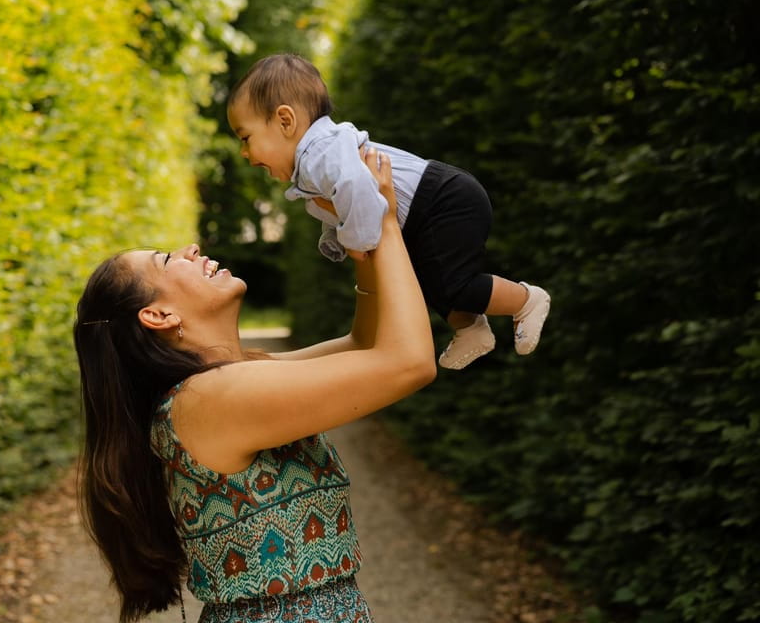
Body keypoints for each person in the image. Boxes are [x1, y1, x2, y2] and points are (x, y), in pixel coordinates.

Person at [73, 150, 434, 622]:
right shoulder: (214, 399)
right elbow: (409, 363)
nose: (190, 250)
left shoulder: (230, 381)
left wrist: (361, 242)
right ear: (159, 315)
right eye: (167, 259)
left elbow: (364, 344)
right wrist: (383, 222)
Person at [226, 53, 552, 370]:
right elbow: (342, 202)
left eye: (246, 137)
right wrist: (338, 237)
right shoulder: (317, 157)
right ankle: (470, 328)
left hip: (442, 199)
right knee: (425, 276)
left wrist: (355, 240)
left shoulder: (319, 153)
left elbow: (355, 186)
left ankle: (526, 300)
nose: (243, 152)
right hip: (431, 205)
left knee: (457, 284)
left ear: (285, 121)